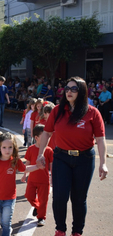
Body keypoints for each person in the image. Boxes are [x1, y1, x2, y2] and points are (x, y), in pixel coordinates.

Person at [36, 77, 109, 236]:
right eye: (67, 89)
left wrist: (103, 163)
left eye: (73, 89)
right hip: (61, 158)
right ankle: (60, 229)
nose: (69, 91)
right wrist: (40, 153)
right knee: (60, 197)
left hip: (84, 159)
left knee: (78, 199)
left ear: (81, 91)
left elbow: (101, 140)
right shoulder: (57, 111)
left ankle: (77, 232)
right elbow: (47, 132)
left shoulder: (92, 113)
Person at [0, 132, 39, 236]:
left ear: (14, 147)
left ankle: (6, 231)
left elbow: (25, 169)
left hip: (10, 198)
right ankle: (6, 228)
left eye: (10, 147)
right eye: (4, 147)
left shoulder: (15, 161)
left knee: (6, 221)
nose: (7, 150)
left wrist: (38, 166)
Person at [21, 125, 53, 226]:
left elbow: (51, 165)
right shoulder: (30, 149)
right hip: (32, 179)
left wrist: (52, 177)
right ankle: (38, 207)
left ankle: (41, 218)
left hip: (44, 180)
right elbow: (27, 163)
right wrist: (24, 175)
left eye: (48, 137)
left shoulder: (49, 150)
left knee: (44, 200)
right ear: (36, 138)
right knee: (29, 195)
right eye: (44, 136)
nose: (47, 139)